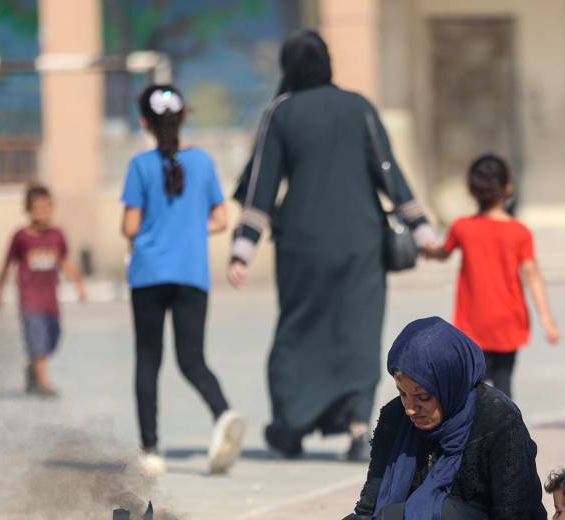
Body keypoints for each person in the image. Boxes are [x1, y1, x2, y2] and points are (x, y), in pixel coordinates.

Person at [289, 317, 565, 520]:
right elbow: (370, 514)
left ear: (449, 383)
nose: (411, 408)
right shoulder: (395, 420)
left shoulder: (499, 421)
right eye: (403, 394)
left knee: (441, 514)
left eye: (422, 397)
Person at [228, 30, 435, 461]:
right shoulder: (358, 106)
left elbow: (261, 185)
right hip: (361, 241)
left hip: (302, 246)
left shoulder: (281, 112)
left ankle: (291, 427)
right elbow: (387, 170)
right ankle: (359, 429)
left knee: (297, 330)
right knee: (358, 329)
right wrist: (422, 229)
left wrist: (242, 248)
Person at [121, 84, 245, 476]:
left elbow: (130, 224)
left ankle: (151, 450)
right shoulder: (204, 163)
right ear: (184, 117)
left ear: (144, 122)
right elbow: (222, 219)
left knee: (148, 359)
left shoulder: (139, 166)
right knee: (192, 358)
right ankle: (223, 412)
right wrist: (189, 229)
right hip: (192, 274)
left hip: (148, 274)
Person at [422, 154, 560, 398]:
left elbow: (443, 253)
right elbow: (532, 274)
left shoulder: (462, 227)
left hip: (473, 323)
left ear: (471, 190)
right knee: (504, 385)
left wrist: (426, 250)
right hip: (509, 321)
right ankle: (505, 431)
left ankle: (471, 432)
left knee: (472, 386)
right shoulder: (520, 232)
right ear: (508, 188)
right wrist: (547, 319)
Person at [0, 184, 86, 397]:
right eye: (37, 209)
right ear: (28, 210)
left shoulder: (57, 235)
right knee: (37, 341)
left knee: (52, 340)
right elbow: (7, 264)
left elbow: (65, 261)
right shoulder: (21, 237)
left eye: (47, 208)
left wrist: (79, 285)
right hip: (30, 301)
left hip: (50, 301)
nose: (43, 213)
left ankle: (33, 369)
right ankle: (45, 383)